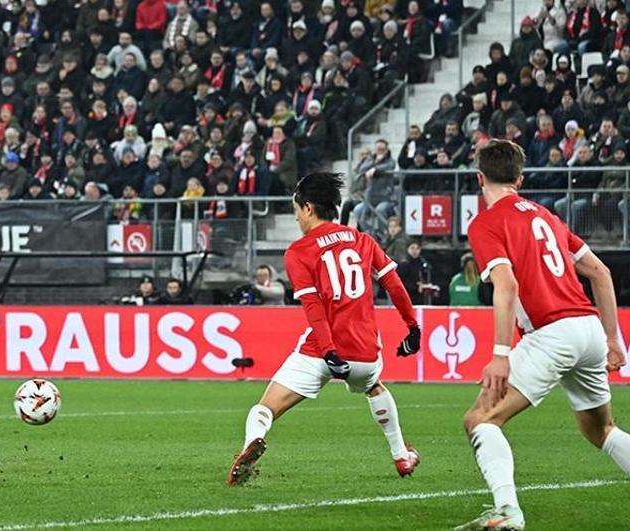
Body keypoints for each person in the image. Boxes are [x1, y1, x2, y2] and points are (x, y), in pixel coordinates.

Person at [456, 140, 629, 531]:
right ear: (520, 179)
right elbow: (599, 272)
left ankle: (507, 511)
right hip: (588, 331)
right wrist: (612, 339)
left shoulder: (486, 223)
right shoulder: (547, 216)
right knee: (601, 430)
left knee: (480, 419)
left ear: (479, 178)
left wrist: (500, 354)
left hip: (552, 334)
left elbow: (506, 286)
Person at [228, 172, 422, 486]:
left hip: (322, 351)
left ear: (308, 208)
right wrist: (413, 327)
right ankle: (401, 455)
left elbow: (313, 307)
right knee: (374, 387)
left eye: (296, 211)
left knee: (265, 409)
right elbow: (394, 285)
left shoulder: (299, 251)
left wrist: (329, 351)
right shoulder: (362, 240)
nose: (296, 218)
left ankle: (252, 441)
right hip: (365, 353)